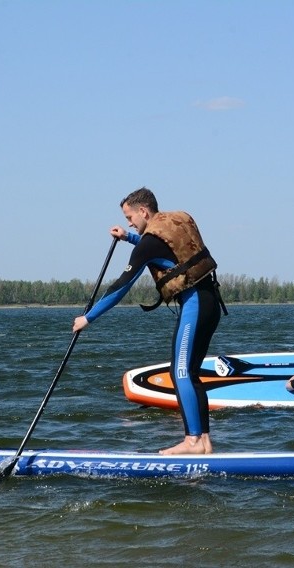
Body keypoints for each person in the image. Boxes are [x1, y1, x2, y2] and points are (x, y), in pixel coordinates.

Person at [73, 187, 225, 455]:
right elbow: (165, 249)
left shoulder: (148, 243)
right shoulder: (179, 218)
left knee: (180, 372)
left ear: (143, 211)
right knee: (190, 373)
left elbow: (121, 286)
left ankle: (192, 441)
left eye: (130, 217)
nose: (129, 222)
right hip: (210, 301)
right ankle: (203, 442)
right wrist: (129, 237)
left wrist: (88, 317)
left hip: (195, 304)